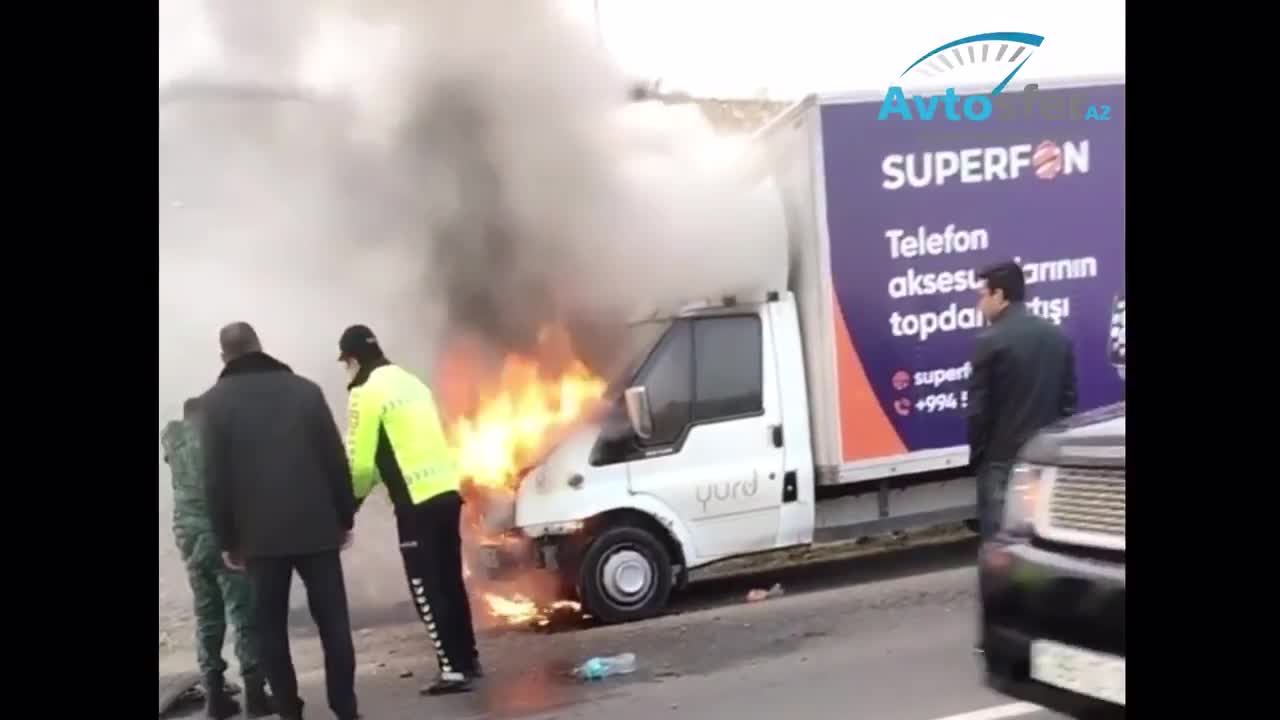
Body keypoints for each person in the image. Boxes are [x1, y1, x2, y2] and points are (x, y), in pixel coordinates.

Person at [201, 322, 361, 720]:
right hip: (318, 530)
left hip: (259, 540)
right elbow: (335, 459)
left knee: (270, 631)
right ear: (260, 347)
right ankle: (346, 708)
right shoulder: (306, 391)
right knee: (335, 626)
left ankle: (290, 710)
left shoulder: (213, 405)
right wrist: (345, 518)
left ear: (225, 357)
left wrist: (227, 540)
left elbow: (215, 480)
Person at [338, 324, 480, 695]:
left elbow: (361, 465)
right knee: (450, 580)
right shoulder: (412, 382)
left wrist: (347, 508)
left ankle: (451, 669)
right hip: (446, 492)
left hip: (415, 501)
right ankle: (467, 659)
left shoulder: (365, 393)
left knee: (425, 585)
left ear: (352, 360)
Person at [163, 396, 275, 719]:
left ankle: (214, 696)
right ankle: (255, 694)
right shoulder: (213, 439)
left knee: (208, 615)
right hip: (219, 534)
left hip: (187, 537)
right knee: (243, 612)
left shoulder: (172, 439)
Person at [967, 260, 1077, 539]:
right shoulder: (1056, 336)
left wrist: (979, 456)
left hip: (1001, 462)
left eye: (983, 295)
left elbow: (979, 411)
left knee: (1001, 544)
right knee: (1042, 539)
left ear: (1000, 296)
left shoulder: (990, 341)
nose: (979, 304)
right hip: (1045, 457)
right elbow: (1068, 403)